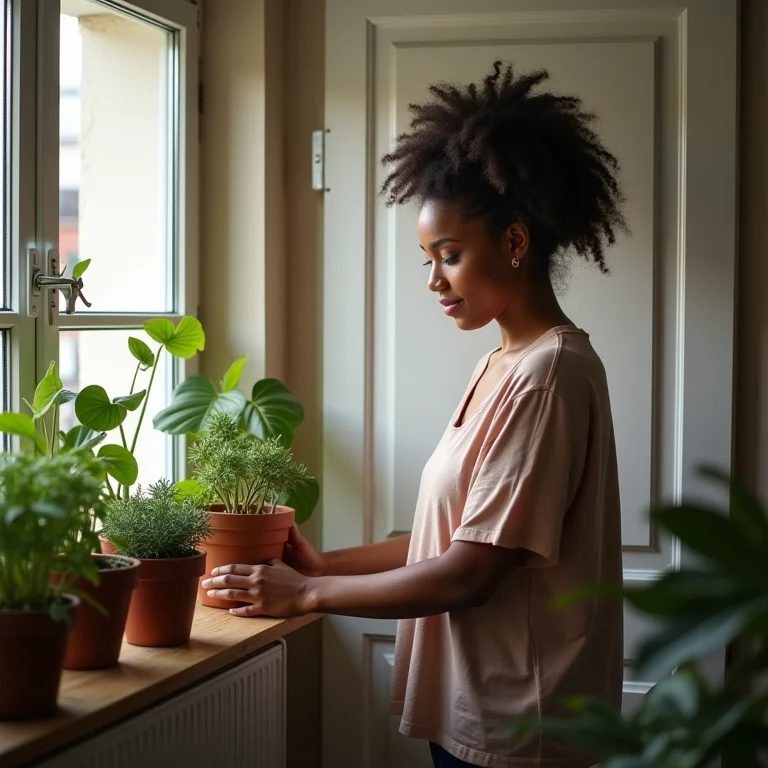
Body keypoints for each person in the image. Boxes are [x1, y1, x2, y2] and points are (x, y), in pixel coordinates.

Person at [201, 61, 626, 768]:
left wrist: (309, 594)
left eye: (449, 256)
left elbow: (469, 573)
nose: (433, 281)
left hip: (521, 730)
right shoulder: (503, 364)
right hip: (478, 709)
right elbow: (456, 537)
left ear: (515, 243)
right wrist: (324, 563)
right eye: (428, 258)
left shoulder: (549, 375)